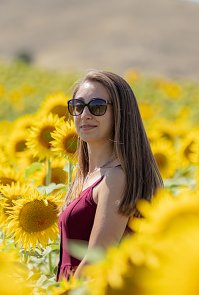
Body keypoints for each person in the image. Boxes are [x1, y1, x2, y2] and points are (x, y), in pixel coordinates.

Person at [56, 70, 163, 281]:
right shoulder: (89, 176)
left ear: (120, 113)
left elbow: (97, 260)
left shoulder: (115, 179)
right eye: (78, 106)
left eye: (97, 106)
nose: (85, 114)